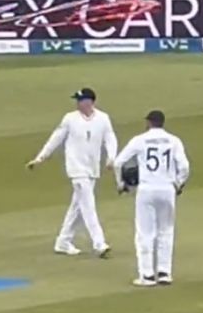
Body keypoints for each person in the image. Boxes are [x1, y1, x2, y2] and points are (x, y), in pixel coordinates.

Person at [26, 88, 117, 258]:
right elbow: (56, 138)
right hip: (76, 169)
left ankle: (63, 241)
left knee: (77, 207)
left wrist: (111, 158)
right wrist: (40, 158)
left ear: (90, 102)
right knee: (88, 205)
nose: (77, 103)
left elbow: (110, 138)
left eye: (80, 100)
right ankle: (99, 243)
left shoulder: (103, 118)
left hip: (92, 169)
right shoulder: (70, 119)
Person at [112, 110, 190, 287]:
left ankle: (146, 275)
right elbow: (184, 167)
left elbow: (118, 163)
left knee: (145, 233)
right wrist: (178, 183)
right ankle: (164, 273)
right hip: (167, 188)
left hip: (146, 189)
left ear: (148, 122)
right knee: (166, 231)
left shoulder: (139, 140)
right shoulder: (174, 140)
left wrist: (121, 183)